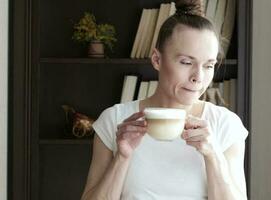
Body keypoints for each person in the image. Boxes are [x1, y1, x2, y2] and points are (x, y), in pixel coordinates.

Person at [81, 0, 248, 199]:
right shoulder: (114, 120)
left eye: (208, 65)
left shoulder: (225, 125)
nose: (198, 77)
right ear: (157, 59)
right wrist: (122, 157)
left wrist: (213, 155)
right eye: (186, 62)